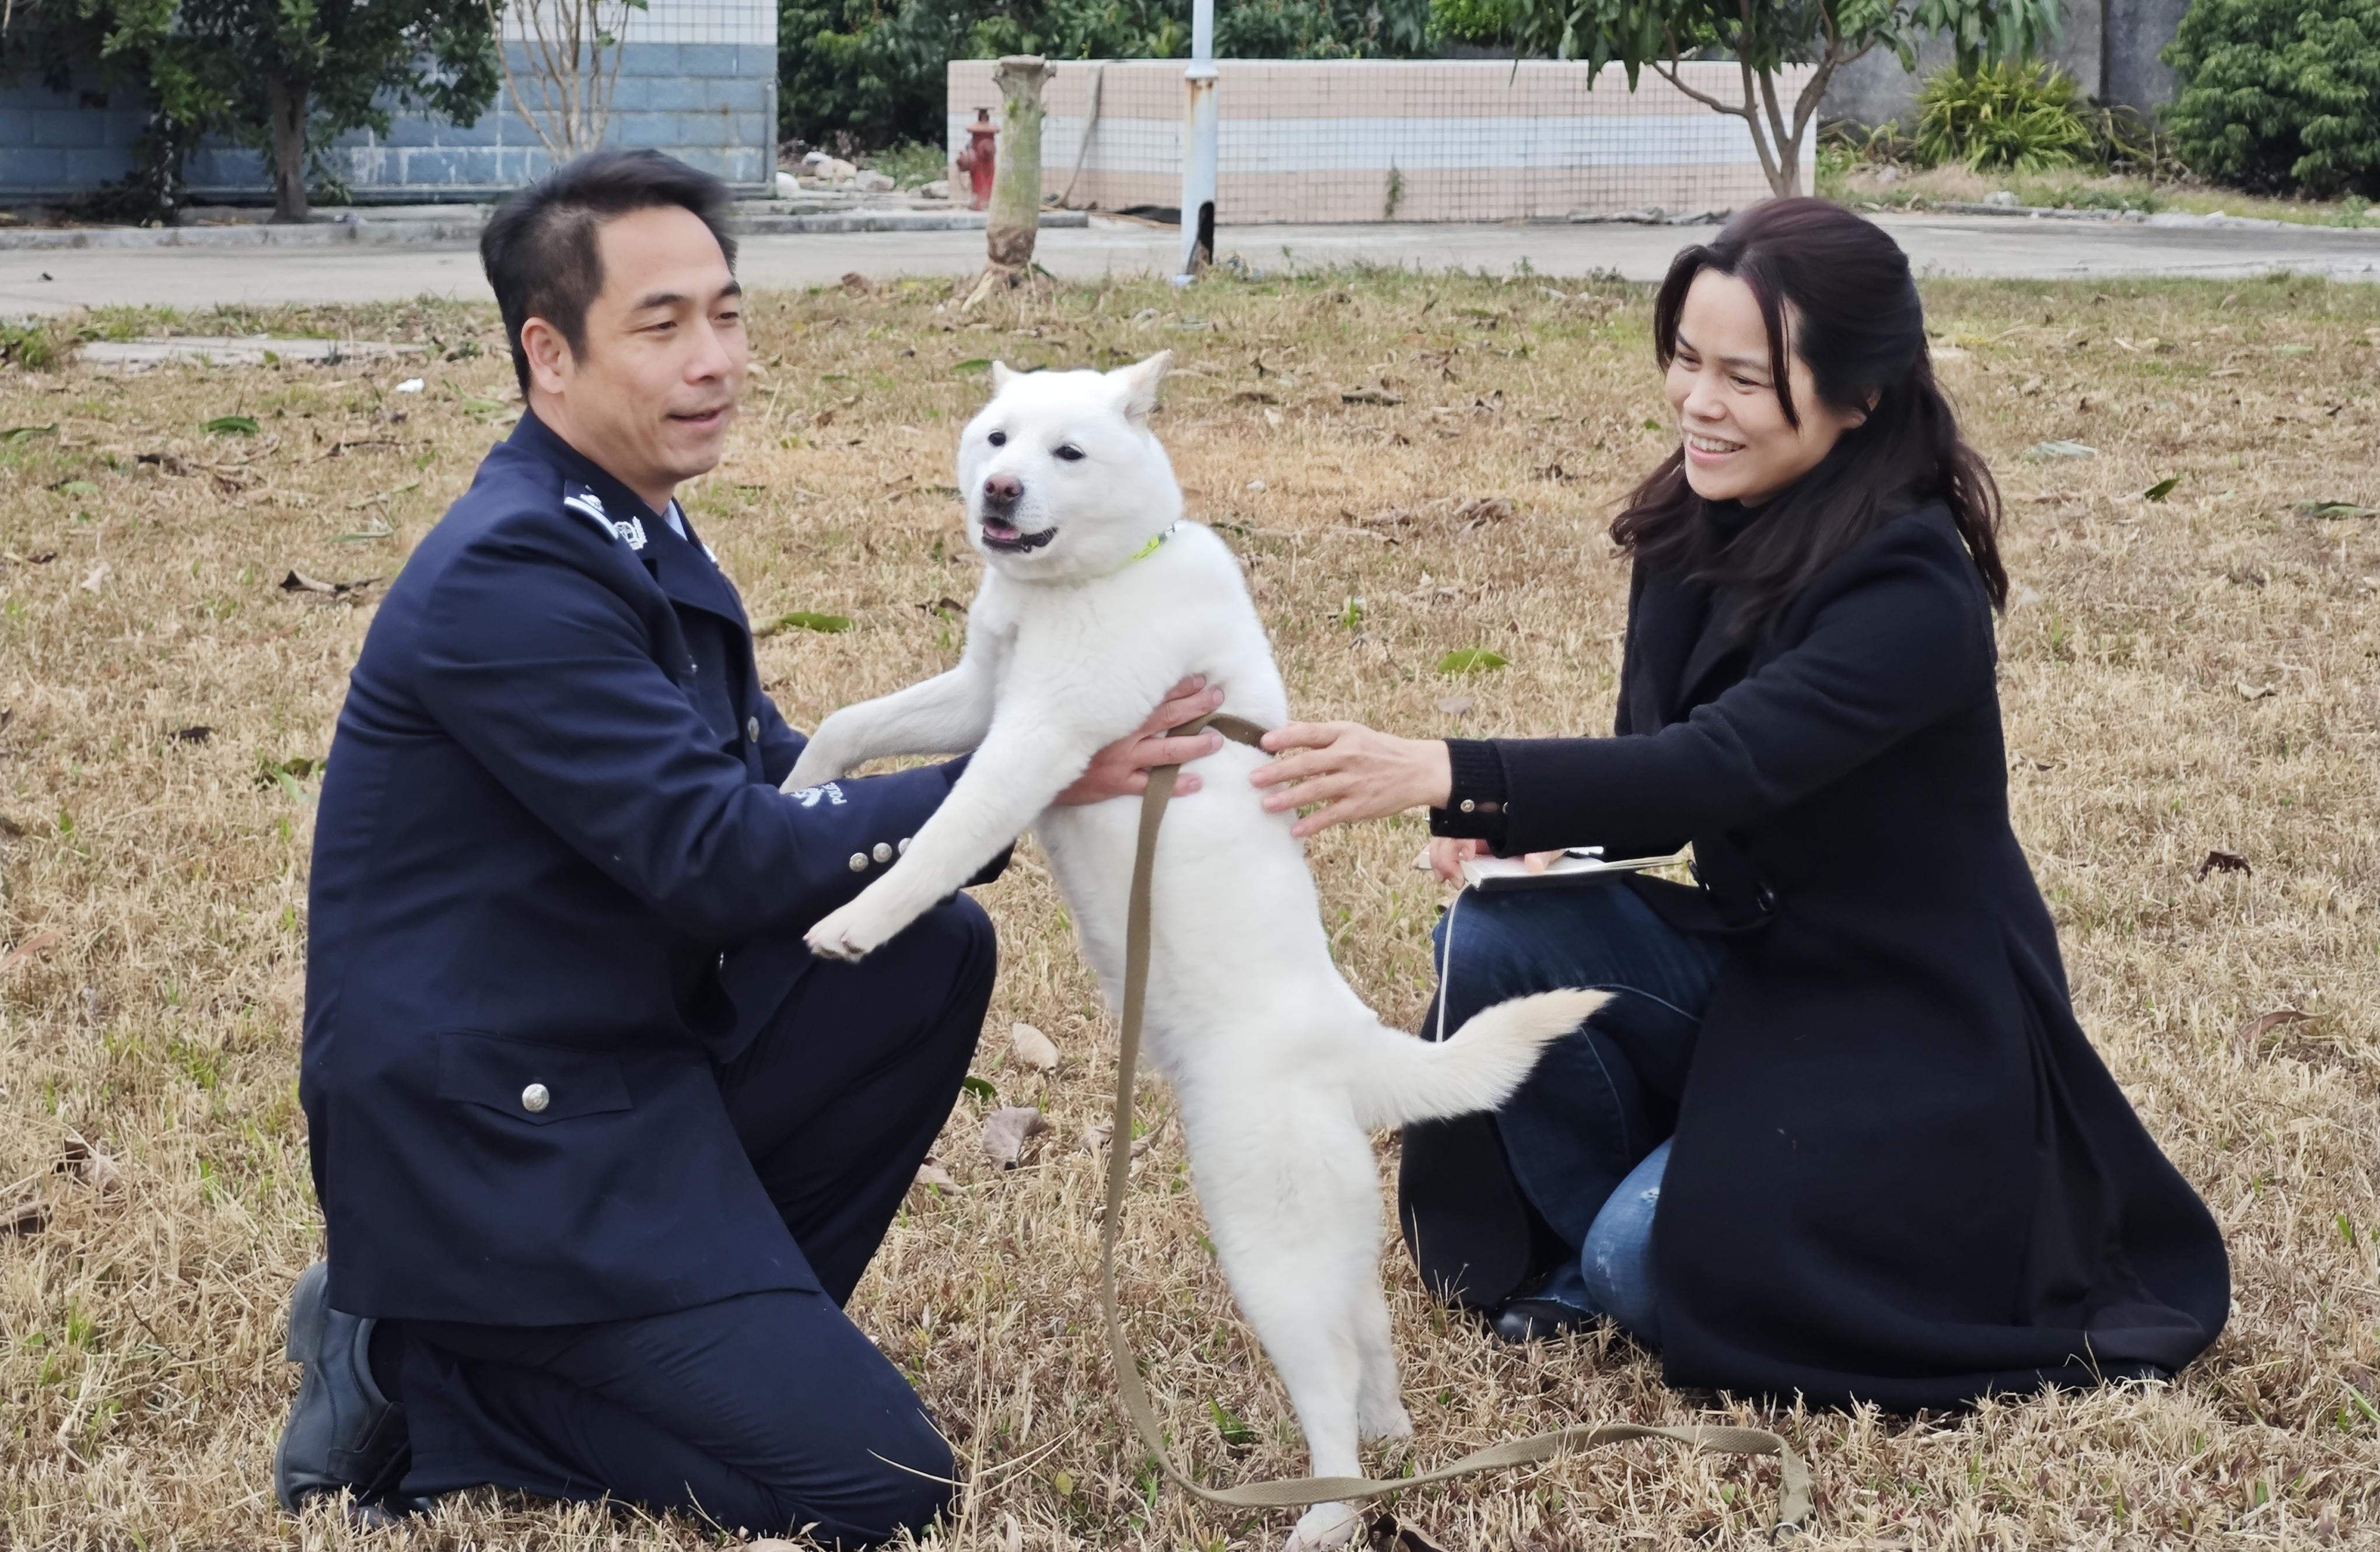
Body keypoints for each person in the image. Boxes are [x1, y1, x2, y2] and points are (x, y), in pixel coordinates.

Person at [278, 149, 1226, 1539]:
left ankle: (714, 1334)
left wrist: (1034, 756)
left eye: (726, 314)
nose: (714, 358)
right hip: (503, 1135)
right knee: (878, 1487)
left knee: (928, 948)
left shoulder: (623, 523)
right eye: (662, 327)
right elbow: (724, 856)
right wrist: (1022, 777)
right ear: (548, 353)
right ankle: (420, 1369)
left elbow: (762, 772)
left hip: (619, 1073)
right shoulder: (509, 575)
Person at [1244, 198, 2230, 1412]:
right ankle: (1626, 1211)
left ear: (1859, 397)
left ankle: (1644, 1234)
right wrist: (1529, 834)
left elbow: (1721, 765)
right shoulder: (1692, 519)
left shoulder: (1913, 585)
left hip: (1908, 1024)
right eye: (1687, 360)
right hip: (1760, 968)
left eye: (1747, 378)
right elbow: (1654, 784)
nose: (1698, 403)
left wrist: (1443, 767)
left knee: (1637, 1267)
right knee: (1497, 936)